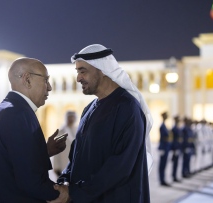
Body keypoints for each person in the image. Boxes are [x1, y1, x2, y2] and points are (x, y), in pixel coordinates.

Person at [58, 44, 153, 203]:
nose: (78, 78)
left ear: (101, 70)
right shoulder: (89, 109)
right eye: (78, 72)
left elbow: (120, 167)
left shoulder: (127, 108)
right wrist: (65, 179)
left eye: (83, 71)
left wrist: (75, 192)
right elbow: (77, 154)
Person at [0, 58, 69, 203]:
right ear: (27, 80)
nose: (50, 87)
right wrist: (62, 193)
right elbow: (29, 180)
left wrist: (44, 151)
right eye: (46, 80)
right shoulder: (19, 114)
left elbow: (12, 161)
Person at [52, 111, 78, 176]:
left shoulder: (78, 130)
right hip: (63, 164)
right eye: (69, 117)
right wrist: (56, 167)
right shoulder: (61, 132)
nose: (71, 119)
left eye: (72, 117)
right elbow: (56, 151)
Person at [158, 112, 171, 186]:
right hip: (163, 147)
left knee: (164, 164)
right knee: (162, 165)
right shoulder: (162, 126)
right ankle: (161, 179)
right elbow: (162, 138)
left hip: (166, 147)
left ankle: (163, 179)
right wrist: (161, 148)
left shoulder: (164, 125)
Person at [171, 115, 182, 182]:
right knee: (175, 163)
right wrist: (175, 148)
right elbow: (173, 139)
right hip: (175, 147)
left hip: (178, 147)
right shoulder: (174, 128)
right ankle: (174, 176)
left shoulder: (177, 127)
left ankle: (175, 175)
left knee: (177, 163)